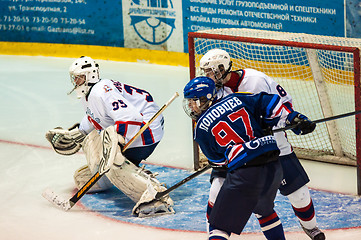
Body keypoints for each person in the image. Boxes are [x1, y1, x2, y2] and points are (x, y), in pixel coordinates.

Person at [199, 48, 324, 240]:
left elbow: (282, 103)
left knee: (298, 194)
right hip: (237, 154)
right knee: (216, 190)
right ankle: (214, 233)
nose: (207, 76)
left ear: (222, 68)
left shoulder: (255, 80)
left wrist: (293, 120)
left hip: (273, 146)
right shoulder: (214, 92)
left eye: (210, 71)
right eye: (205, 72)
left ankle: (312, 228)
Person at [45, 56, 174, 217]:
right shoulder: (90, 94)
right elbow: (95, 117)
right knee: (86, 174)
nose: (76, 81)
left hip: (146, 127)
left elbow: (130, 117)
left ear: (90, 75)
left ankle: (157, 197)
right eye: (75, 77)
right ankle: (124, 172)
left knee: (114, 161)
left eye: (79, 77)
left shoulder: (100, 90)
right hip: (136, 124)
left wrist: (117, 143)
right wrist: (78, 134)